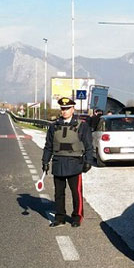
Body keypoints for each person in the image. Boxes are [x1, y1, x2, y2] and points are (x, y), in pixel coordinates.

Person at [42, 97, 95, 228]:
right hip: (58, 163)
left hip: (75, 164)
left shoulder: (82, 126)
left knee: (76, 193)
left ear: (73, 109)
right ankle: (60, 217)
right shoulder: (54, 126)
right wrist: (45, 161)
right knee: (59, 193)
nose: (64, 111)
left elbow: (89, 145)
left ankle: (77, 217)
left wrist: (88, 161)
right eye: (63, 109)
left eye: (67, 108)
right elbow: (48, 146)